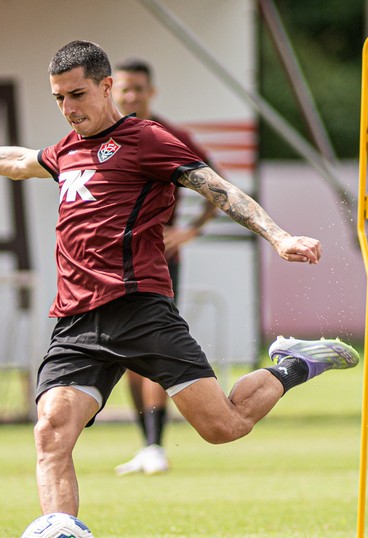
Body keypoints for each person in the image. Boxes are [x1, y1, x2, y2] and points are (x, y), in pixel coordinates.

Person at [0, 40, 358, 538]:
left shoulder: (146, 141)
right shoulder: (66, 150)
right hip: (76, 321)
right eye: (58, 98)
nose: (68, 107)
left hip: (139, 309)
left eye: (77, 94)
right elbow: (15, 160)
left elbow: (218, 189)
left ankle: (293, 362)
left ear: (106, 87)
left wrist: (280, 236)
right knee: (51, 431)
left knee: (223, 427)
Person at [111, 57, 219, 476]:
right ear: (111, 91)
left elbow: (217, 184)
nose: (131, 95)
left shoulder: (170, 137)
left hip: (157, 263)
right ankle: (147, 444)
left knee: (153, 347)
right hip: (113, 266)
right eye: (124, 89)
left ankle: (156, 444)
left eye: (138, 88)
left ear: (150, 92)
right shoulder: (102, 139)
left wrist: (189, 231)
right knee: (125, 355)